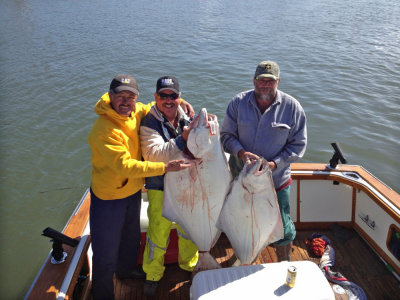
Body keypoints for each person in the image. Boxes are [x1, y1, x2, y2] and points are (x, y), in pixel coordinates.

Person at [88, 74, 194, 300]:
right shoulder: (103, 130)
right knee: (105, 252)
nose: (126, 102)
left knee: (131, 239)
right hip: (108, 197)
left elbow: (156, 105)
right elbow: (125, 166)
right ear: (110, 97)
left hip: (133, 190)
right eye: (120, 96)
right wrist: (165, 167)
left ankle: (126, 271)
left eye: (131, 96)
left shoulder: (136, 111)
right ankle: (102, 294)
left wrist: (182, 103)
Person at [220, 61, 307, 261]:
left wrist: (275, 164)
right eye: (261, 80)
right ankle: (241, 257)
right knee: (240, 222)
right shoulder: (238, 103)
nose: (265, 85)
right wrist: (241, 152)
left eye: (270, 81)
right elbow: (226, 136)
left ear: (278, 81)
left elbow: (298, 146)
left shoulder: (292, 107)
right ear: (254, 80)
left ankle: (284, 263)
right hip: (241, 180)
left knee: (283, 228)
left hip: (276, 181)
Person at [139, 76, 199, 297]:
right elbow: (153, 154)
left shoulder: (188, 117)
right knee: (158, 232)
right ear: (155, 97)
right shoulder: (148, 123)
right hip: (159, 187)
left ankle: (190, 265)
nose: (168, 100)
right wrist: (182, 140)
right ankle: (153, 274)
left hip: (187, 186)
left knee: (188, 229)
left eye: (173, 95)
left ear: (179, 97)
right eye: (163, 95)